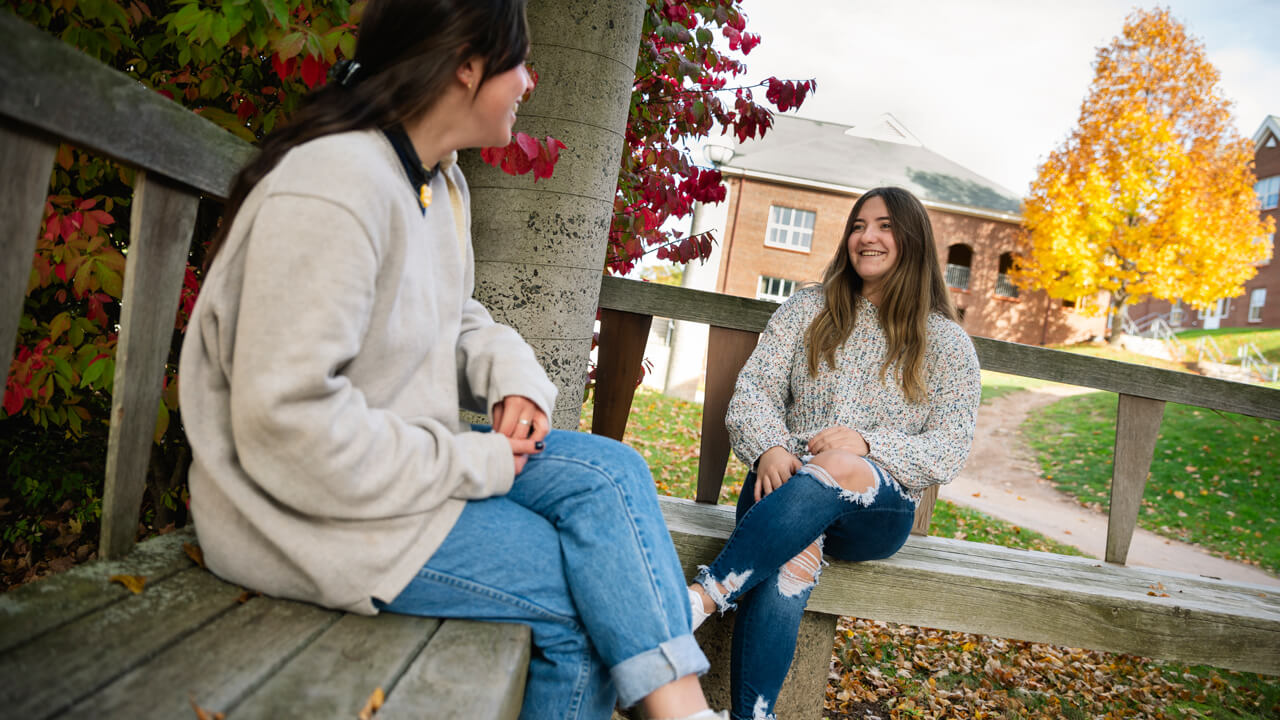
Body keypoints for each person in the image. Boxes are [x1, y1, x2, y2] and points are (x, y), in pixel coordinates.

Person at [178, 1, 722, 718]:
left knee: (612, 471)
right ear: (467, 65)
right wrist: (474, 463)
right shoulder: (336, 185)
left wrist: (515, 381)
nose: (530, 82)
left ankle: (681, 712)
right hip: (302, 518)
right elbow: (290, 427)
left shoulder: (435, 178)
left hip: (385, 474)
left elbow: (454, 313)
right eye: (518, 62)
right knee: (591, 603)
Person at [685, 187, 982, 720]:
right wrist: (770, 447)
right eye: (858, 225)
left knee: (842, 466)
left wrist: (868, 446)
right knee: (790, 557)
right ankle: (753, 715)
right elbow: (754, 391)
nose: (867, 237)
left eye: (885, 226)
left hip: (878, 509)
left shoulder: (946, 342)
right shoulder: (808, 309)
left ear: (912, 240)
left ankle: (704, 598)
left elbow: (949, 447)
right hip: (787, 488)